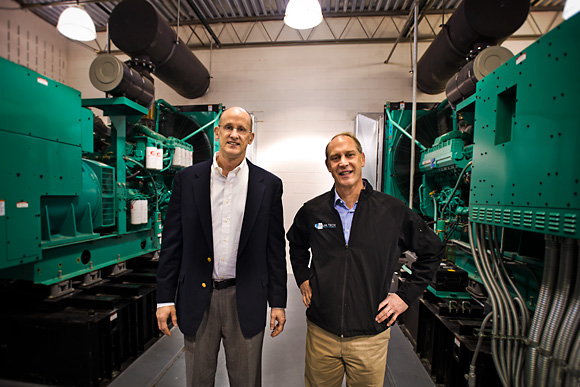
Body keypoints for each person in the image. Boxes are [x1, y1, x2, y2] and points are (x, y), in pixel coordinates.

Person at [287, 132, 444, 387]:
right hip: (322, 334)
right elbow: (296, 244)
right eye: (335, 158)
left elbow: (433, 250)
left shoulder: (392, 210)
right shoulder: (312, 210)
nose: (343, 162)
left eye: (349, 155)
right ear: (328, 166)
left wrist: (404, 297)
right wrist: (303, 277)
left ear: (361, 158)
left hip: (370, 337)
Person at [156, 106, 287, 387]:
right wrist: (165, 299)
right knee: (199, 380)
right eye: (228, 127)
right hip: (198, 299)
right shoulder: (187, 180)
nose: (234, 134)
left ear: (250, 138)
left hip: (246, 297)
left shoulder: (269, 185)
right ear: (217, 133)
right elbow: (172, 244)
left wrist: (278, 302)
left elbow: (274, 249)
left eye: (241, 129)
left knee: (246, 381)